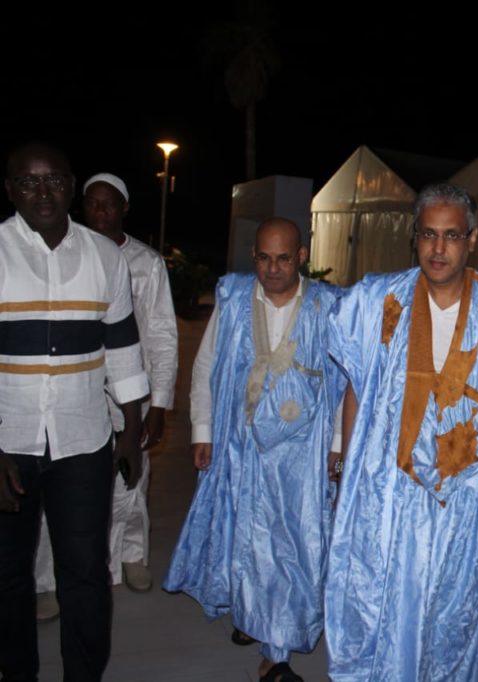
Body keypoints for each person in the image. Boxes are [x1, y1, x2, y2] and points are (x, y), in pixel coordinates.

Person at [324, 183, 478, 681]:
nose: (438, 248)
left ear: (471, 239)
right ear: (415, 236)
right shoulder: (378, 301)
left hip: (470, 495)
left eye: (451, 235)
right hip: (392, 491)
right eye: (428, 234)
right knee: (394, 600)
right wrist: (347, 473)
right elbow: (356, 390)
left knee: (459, 608)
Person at [164, 218, 345, 682]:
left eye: (283, 258)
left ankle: (276, 652)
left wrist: (338, 445)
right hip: (240, 448)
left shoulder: (328, 306)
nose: (273, 268)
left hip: (302, 458)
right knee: (243, 537)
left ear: (301, 257)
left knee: (291, 548)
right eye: (264, 258)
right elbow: (206, 364)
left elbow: (347, 380)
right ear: (254, 257)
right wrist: (202, 429)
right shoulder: (234, 299)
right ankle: (250, 614)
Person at [0, 143, 148, 682]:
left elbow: (124, 349)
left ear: (71, 185)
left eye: (54, 180)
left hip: (84, 442)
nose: (42, 192)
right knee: (8, 576)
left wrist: (131, 431)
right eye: (28, 182)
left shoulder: (105, 256)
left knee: (85, 574)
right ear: (10, 189)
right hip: (8, 444)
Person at [34, 173, 178, 622]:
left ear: (124, 208)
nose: (99, 211)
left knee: (130, 481)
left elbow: (162, 334)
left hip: (130, 392)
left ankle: (131, 555)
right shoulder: (63, 254)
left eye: (108, 204)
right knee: (60, 486)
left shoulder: (146, 263)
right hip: (74, 391)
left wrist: (159, 402)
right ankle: (49, 580)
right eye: (92, 203)